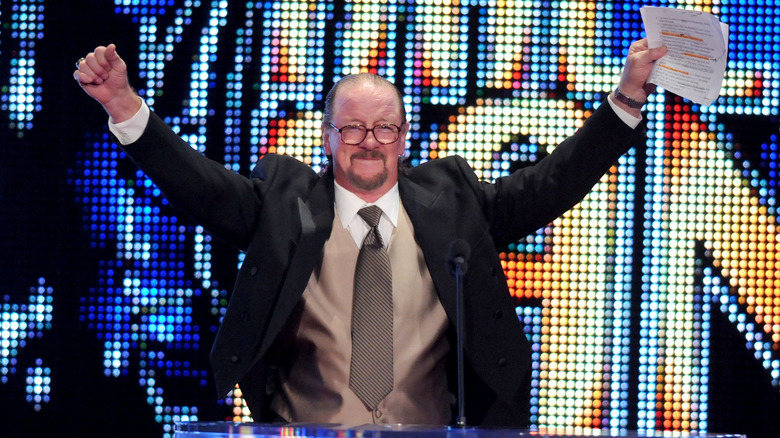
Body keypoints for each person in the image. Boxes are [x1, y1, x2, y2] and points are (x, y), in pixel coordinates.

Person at [73, 40, 667, 427]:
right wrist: (125, 105)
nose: (368, 141)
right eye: (352, 127)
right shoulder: (283, 202)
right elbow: (200, 187)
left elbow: (548, 185)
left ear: (405, 139)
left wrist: (626, 98)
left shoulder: (452, 201)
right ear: (328, 137)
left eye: (384, 128)